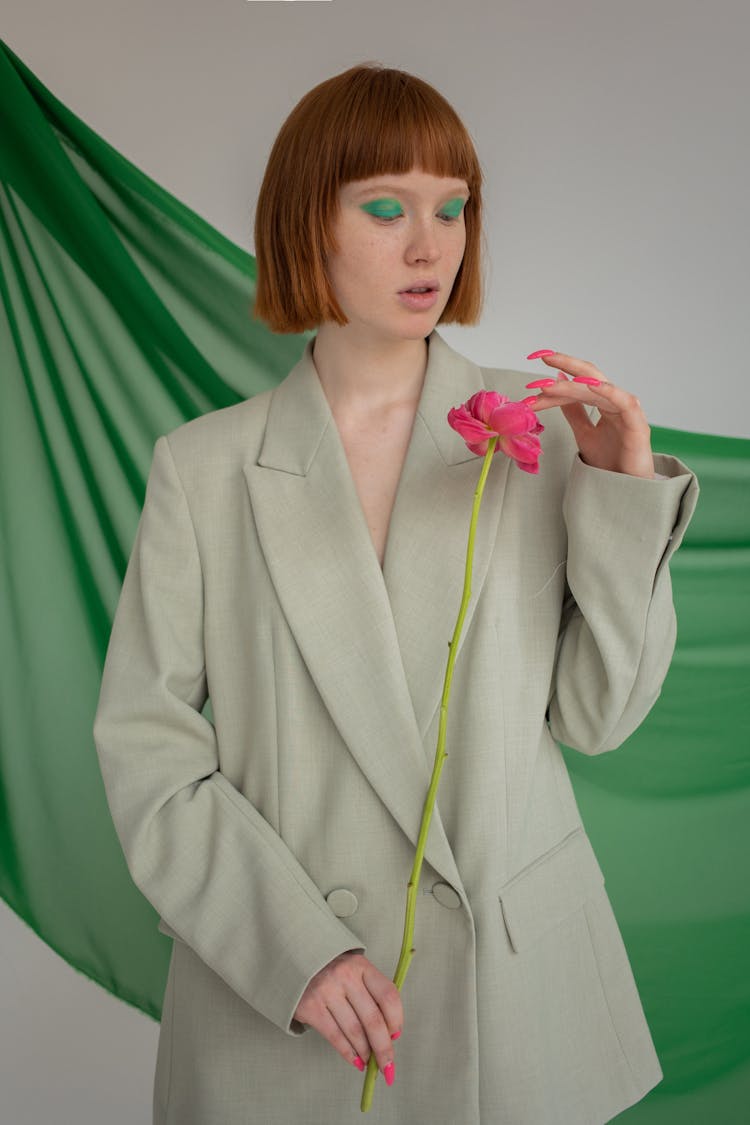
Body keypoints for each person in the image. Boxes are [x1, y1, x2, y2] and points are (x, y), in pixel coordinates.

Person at [93, 63, 699, 1125]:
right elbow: (147, 748)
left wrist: (620, 489)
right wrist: (298, 951)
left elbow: (599, 720)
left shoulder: (545, 438)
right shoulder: (203, 468)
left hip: (509, 1006)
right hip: (285, 997)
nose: (431, 244)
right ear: (306, 224)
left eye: (452, 206)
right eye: (386, 207)